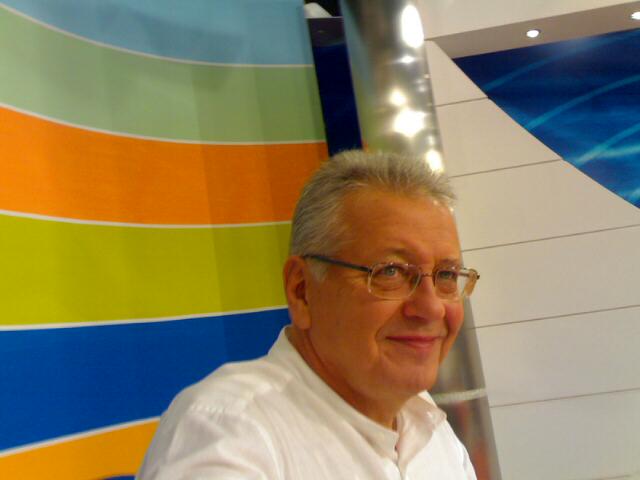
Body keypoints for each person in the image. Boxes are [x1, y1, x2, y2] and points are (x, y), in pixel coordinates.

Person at [137, 150, 480, 479]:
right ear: (301, 290)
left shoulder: (428, 426)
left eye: (447, 275)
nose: (432, 308)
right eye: (390, 272)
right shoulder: (230, 429)